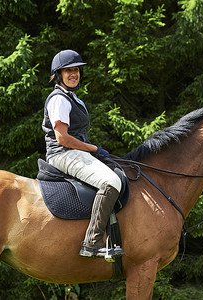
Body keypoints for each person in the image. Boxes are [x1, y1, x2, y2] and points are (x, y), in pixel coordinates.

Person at [42, 49, 124, 259]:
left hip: (74, 151)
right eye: (68, 70)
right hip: (63, 153)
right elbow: (62, 138)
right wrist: (94, 149)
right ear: (59, 74)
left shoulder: (73, 98)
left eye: (76, 70)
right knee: (111, 182)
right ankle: (93, 242)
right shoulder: (59, 99)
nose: (73, 74)